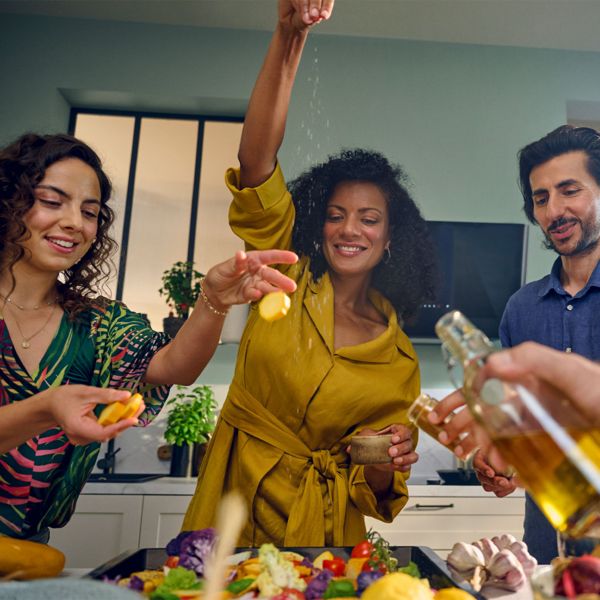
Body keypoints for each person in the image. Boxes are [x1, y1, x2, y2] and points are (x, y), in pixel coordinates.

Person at [182, 0, 437, 547]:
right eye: (336, 215)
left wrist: (386, 456)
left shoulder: (400, 359)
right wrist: (289, 35)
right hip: (233, 502)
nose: (350, 230)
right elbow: (256, 164)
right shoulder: (283, 275)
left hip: (324, 530)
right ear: (319, 225)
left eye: (369, 220)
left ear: (390, 239)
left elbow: (379, 490)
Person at [0, 132, 298, 542]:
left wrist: (213, 299)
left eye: (90, 212)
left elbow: (175, 366)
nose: (73, 222)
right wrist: (49, 407)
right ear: (8, 204)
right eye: (52, 202)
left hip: (26, 551)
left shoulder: (98, 326)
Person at [432, 124, 600, 563]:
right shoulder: (520, 308)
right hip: (547, 554)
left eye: (569, 190)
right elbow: (513, 430)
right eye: (541, 198)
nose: (554, 210)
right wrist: (500, 464)